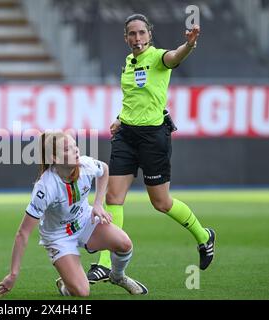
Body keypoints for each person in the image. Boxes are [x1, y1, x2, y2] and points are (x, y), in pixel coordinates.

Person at [86, 14, 216, 284]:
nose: (137, 38)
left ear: (149, 34)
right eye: (132, 34)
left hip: (153, 138)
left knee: (161, 203)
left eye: (141, 33)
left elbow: (175, 57)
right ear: (126, 38)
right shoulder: (128, 63)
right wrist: (120, 119)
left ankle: (204, 237)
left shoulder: (158, 57)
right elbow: (133, 98)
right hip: (126, 136)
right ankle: (104, 263)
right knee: (113, 197)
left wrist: (189, 44)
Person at [0, 132, 148, 297]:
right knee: (82, 292)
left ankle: (117, 277)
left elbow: (104, 169)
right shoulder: (45, 187)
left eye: (75, 146)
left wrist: (97, 204)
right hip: (58, 237)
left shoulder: (85, 165)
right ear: (54, 158)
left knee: (124, 244)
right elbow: (22, 234)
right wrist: (13, 274)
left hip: (84, 220)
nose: (76, 151)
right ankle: (67, 285)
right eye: (68, 149)